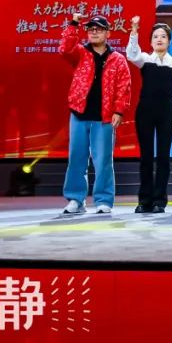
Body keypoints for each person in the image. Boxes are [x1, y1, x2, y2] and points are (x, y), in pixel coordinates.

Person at [59, 14, 131, 216]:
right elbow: (64, 49)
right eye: (91, 29)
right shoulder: (80, 52)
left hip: (104, 117)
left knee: (103, 161)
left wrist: (119, 110)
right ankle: (76, 199)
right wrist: (74, 24)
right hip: (79, 113)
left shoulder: (117, 59)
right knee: (77, 159)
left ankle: (103, 200)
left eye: (99, 29)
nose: (94, 32)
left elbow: (124, 87)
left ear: (108, 33)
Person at [126, 17, 172, 213]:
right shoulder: (145, 59)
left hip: (166, 111)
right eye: (155, 36)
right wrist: (134, 31)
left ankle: (159, 200)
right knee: (145, 156)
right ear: (151, 41)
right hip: (145, 110)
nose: (159, 39)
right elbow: (131, 55)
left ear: (169, 41)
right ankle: (144, 200)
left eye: (163, 36)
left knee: (163, 157)